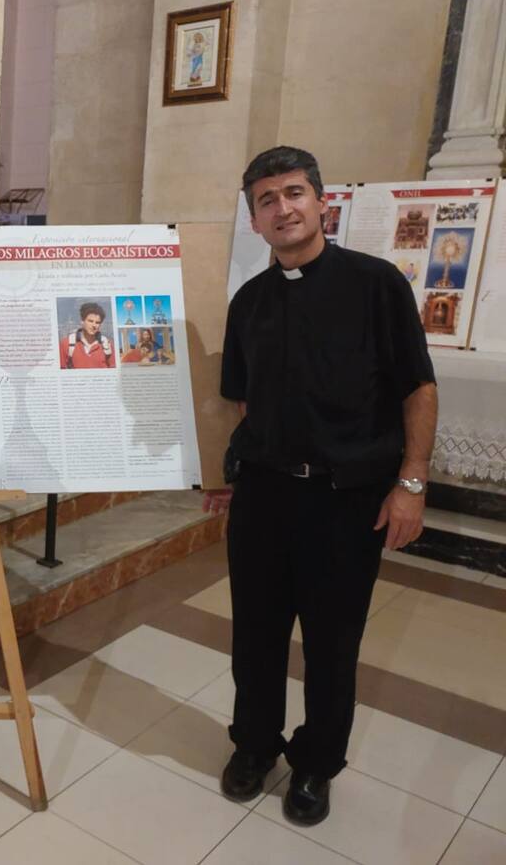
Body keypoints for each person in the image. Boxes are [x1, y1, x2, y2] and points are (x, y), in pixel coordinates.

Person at [208, 146, 437, 826]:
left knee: (333, 645)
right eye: (267, 200)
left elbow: (418, 389)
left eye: (294, 192)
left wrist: (411, 484)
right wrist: (230, 475)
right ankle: (255, 745)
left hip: (346, 500)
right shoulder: (249, 303)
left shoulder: (376, 285)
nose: (283, 208)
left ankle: (315, 763)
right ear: (254, 220)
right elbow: (242, 401)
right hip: (264, 497)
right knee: (255, 635)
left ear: (321, 202)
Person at [60, 301, 115, 368]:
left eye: (97, 322)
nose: (94, 325)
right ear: (82, 321)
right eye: (90, 321)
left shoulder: (107, 344)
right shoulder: (66, 343)